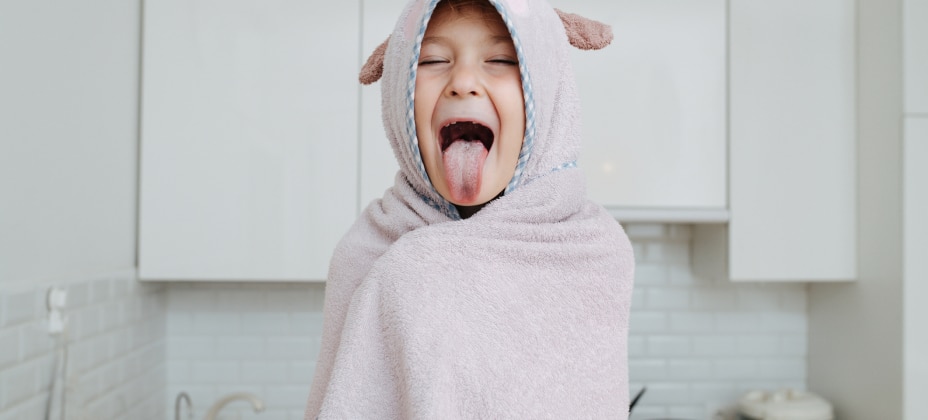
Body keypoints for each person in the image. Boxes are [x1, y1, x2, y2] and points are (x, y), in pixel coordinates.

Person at [305, 0, 634, 418]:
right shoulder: (368, 251)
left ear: (548, 87)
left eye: (500, 58)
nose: (463, 82)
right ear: (397, 93)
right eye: (433, 59)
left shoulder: (592, 252)